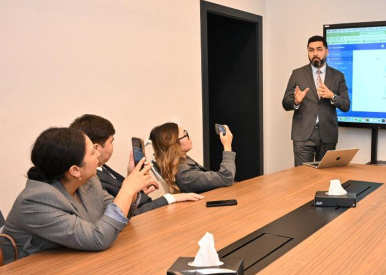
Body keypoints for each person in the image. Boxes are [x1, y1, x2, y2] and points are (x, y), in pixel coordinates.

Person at [1, 127, 155, 258]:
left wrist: (132, 189)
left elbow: (115, 217)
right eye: (92, 152)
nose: (98, 154)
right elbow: (98, 239)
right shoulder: (37, 201)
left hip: (75, 261)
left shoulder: (88, 181)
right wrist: (127, 189)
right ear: (75, 170)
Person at [70, 114, 203, 217]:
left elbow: (125, 197)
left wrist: (135, 187)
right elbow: (124, 213)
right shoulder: (91, 178)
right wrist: (171, 197)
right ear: (96, 148)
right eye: (111, 141)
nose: (113, 146)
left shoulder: (102, 167)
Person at [282, 35, 350, 166]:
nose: (315, 54)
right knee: (302, 175)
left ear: (326, 51)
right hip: (303, 135)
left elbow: (346, 105)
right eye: (311, 50)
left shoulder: (338, 76)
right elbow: (285, 103)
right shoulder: (297, 74)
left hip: (327, 135)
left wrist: (332, 96)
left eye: (319, 49)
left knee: (325, 175)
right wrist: (296, 101)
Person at [149, 122, 235, 193]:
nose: (189, 137)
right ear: (174, 145)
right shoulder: (185, 174)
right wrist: (227, 145)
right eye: (185, 134)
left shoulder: (182, 161)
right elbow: (226, 178)